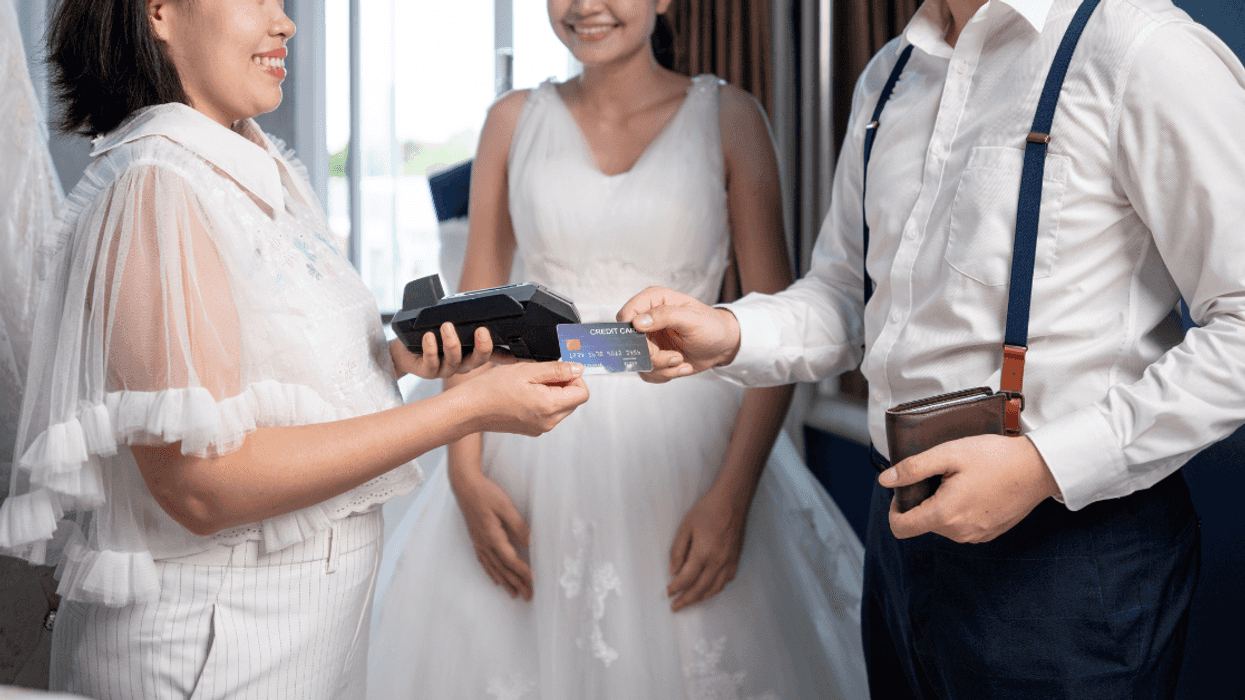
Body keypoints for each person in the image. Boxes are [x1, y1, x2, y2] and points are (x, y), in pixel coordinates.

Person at [619, 0, 1245, 696]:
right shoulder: (891, 74)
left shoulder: (1141, 49)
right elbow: (844, 295)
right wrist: (730, 332)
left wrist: (1044, 465)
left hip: (1071, 554)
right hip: (899, 532)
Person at [0, 0, 588, 698]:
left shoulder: (259, 164)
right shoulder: (155, 184)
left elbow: (274, 375)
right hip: (213, 644)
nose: (285, 24)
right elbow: (201, 484)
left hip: (306, 628)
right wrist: (466, 412)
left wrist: (400, 362)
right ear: (158, 13)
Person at [367, 1, 868, 698]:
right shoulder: (510, 120)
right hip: (527, 421)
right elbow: (473, 310)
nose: (584, 7)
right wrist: (463, 474)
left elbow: (776, 320)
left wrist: (732, 497)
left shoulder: (731, 118)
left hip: (689, 437)